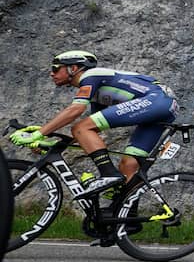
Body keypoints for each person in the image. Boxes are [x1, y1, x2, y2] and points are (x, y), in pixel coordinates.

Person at [9, 51, 178, 198]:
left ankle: (109, 174)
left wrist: (39, 133)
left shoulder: (91, 76)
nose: (51, 73)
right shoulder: (99, 92)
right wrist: (56, 144)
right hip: (163, 107)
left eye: (56, 68)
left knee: (80, 127)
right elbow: (90, 133)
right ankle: (128, 221)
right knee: (129, 165)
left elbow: (75, 111)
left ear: (73, 68)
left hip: (156, 100)